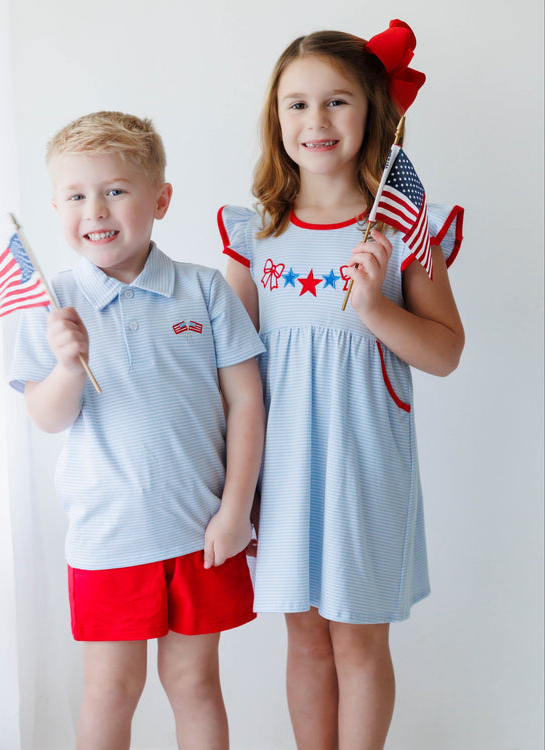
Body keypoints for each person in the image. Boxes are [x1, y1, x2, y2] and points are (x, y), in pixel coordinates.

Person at [218, 21, 465, 750]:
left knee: (358, 643)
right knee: (305, 640)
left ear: (374, 112)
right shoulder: (255, 232)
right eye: (296, 105)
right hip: (283, 471)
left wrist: (374, 307)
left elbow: (446, 352)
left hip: (366, 469)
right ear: (276, 119)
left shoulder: (400, 226)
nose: (315, 121)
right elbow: (227, 366)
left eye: (336, 102)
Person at [10, 111, 266, 750]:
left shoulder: (204, 290)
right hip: (109, 536)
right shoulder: (54, 302)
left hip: (199, 529)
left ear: (161, 198)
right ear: (56, 206)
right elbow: (46, 416)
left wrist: (235, 511)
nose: (95, 209)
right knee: (111, 689)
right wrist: (69, 364)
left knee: (194, 682)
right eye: (76, 195)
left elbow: (247, 403)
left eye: (116, 189)